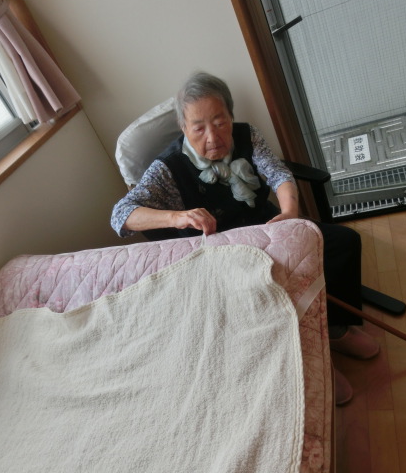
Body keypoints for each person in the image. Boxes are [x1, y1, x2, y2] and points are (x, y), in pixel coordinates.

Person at [111, 72, 379, 405]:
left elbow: (277, 173)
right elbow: (121, 215)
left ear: (230, 115)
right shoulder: (168, 168)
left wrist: (290, 213)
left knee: (343, 242)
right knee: (270, 286)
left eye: (220, 122)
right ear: (183, 127)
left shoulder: (246, 135)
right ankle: (308, 358)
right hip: (224, 251)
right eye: (199, 128)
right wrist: (178, 217)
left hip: (268, 227)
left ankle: (335, 328)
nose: (213, 137)